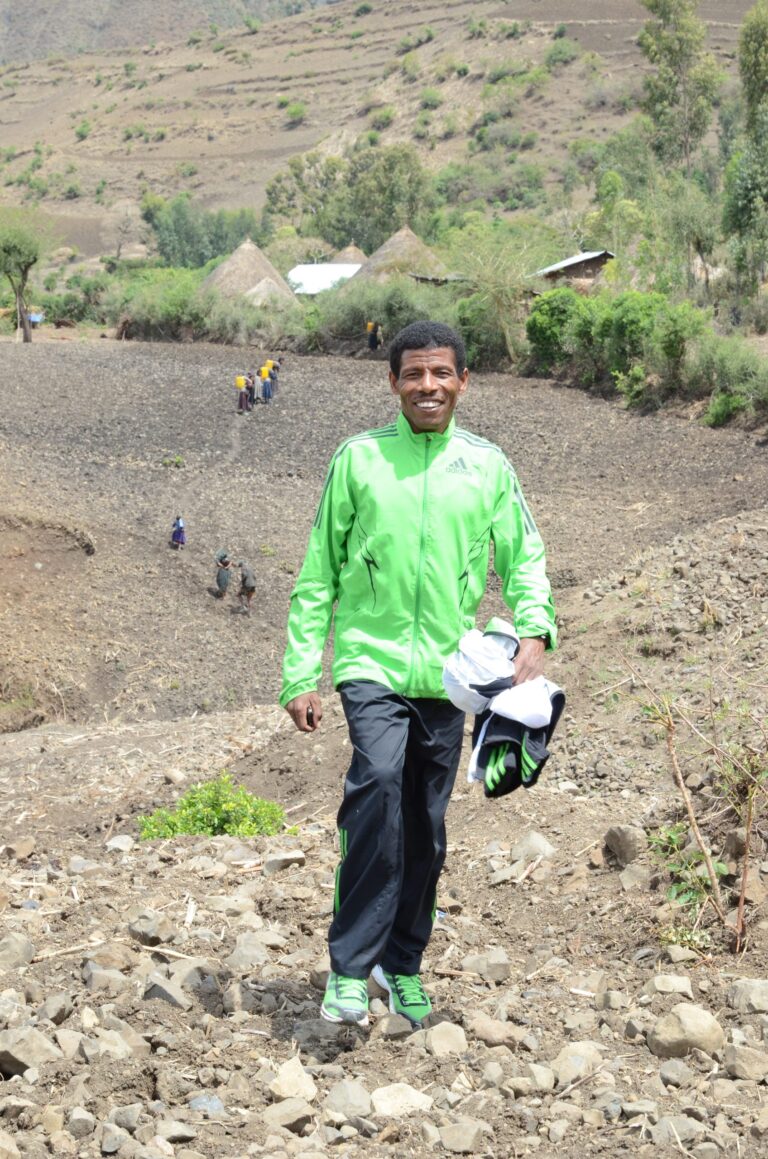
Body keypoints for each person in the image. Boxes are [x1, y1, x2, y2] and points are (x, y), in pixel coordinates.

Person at [280, 320, 557, 1029]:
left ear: (464, 380)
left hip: (448, 674)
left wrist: (534, 626)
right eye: (413, 374)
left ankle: (400, 964)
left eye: (441, 374)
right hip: (370, 663)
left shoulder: (487, 465)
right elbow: (317, 573)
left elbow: (522, 553)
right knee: (375, 786)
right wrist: (300, 674)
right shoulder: (359, 459)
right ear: (393, 381)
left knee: (426, 828)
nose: (427, 386)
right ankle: (348, 969)